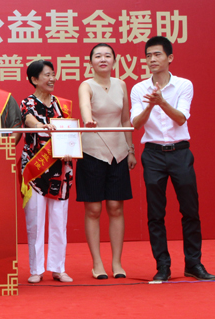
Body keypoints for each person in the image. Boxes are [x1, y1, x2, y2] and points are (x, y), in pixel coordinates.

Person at [130, 36, 215, 281]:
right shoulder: (139, 89)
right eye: (148, 55)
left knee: (190, 210)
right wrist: (150, 105)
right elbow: (136, 124)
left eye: (157, 54)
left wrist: (162, 102)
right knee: (155, 213)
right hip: (153, 155)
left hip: (180, 153)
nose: (152, 59)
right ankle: (163, 267)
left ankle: (193, 264)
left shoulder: (183, 85)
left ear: (170, 58)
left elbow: (180, 118)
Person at [76, 44, 136, 280]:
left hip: (118, 153)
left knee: (115, 207)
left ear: (114, 61)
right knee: (93, 209)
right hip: (93, 152)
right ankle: (97, 263)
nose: (103, 59)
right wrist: (88, 120)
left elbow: (125, 120)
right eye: (98, 56)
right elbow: (84, 106)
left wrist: (130, 150)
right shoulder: (86, 85)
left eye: (107, 56)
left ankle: (117, 262)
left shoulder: (121, 84)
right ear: (90, 62)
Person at [20, 60, 74, 284]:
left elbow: (70, 132)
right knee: (35, 221)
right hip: (35, 169)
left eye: (53, 74)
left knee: (59, 220)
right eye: (46, 75)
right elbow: (29, 120)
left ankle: (58, 268)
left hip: (61, 169)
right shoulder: (27, 103)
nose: (52, 79)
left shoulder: (63, 105)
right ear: (34, 79)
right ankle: (36, 269)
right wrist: (41, 126)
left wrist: (71, 149)